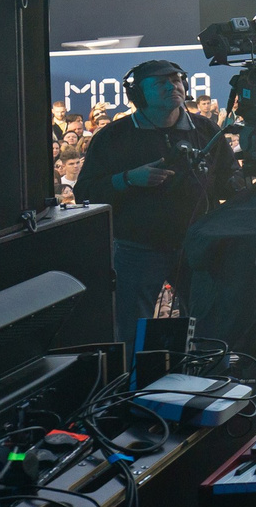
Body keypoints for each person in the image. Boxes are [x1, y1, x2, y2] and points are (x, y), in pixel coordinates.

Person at [73, 60, 239, 335]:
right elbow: (85, 192)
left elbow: (227, 180)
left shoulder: (206, 130)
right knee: (130, 328)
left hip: (197, 246)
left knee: (209, 324)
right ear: (138, 94)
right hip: (137, 250)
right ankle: (134, 377)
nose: (173, 86)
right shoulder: (113, 136)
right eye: (161, 83)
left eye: (176, 80)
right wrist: (127, 179)